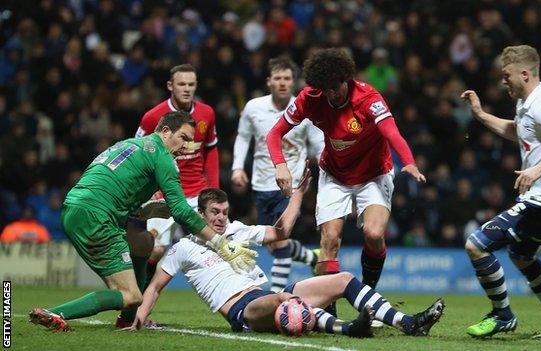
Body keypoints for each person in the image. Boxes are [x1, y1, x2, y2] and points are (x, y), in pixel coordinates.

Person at [128, 173, 445, 337]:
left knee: (343, 278)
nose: (222, 218)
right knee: (286, 303)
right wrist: (137, 318)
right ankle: (349, 328)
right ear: (200, 213)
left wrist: (297, 196)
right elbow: (154, 287)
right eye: (214, 213)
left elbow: (279, 232)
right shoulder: (183, 248)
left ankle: (408, 322)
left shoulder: (237, 230)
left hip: (266, 295)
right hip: (243, 312)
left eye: (225, 212)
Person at [28, 111, 257, 332]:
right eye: (183, 138)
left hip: (76, 206)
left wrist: (139, 210)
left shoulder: (129, 144)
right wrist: (221, 243)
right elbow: (180, 211)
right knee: (131, 295)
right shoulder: (163, 157)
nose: (187, 147)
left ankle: (127, 321)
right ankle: (55, 313)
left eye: (190, 141)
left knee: (144, 242)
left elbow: (112, 183)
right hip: (97, 216)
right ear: (165, 131)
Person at [266, 48, 425, 296]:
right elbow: (274, 133)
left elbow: (391, 132)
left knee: (373, 233)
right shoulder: (310, 98)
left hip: (374, 174)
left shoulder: (368, 98)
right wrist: (280, 164)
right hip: (335, 174)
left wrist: (409, 161)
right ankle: (327, 310)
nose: (331, 93)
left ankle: (368, 298)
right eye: (325, 88)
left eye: (335, 86)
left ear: (346, 78)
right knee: (329, 239)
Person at [460, 45, 541, 339]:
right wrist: (480, 115)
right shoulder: (526, 103)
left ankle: (502, 315)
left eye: (506, 76)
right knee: (522, 255)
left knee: (476, 245)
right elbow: (518, 131)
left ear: (525, 74)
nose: (502, 81)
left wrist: (539, 169)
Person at [231, 56, 323, 292]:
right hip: (261, 185)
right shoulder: (253, 107)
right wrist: (237, 167)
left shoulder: (305, 110)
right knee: (273, 243)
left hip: (291, 186)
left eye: (287, 78)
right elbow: (243, 138)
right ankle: (312, 258)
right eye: (278, 78)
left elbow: (318, 145)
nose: (283, 83)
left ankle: (276, 296)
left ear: (293, 82)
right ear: (269, 81)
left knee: (279, 239)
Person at [135, 63, 219, 295]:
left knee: (217, 242)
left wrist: (214, 188)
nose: (187, 89)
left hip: (197, 192)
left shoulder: (207, 113)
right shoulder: (153, 117)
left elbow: (211, 150)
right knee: (156, 250)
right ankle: (137, 303)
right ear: (170, 86)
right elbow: (139, 151)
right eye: (181, 84)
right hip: (164, 193)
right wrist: (147, 188)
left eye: (191, 84)